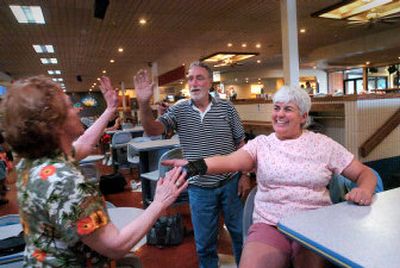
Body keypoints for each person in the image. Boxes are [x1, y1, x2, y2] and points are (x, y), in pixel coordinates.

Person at [164, 85, 377, 268]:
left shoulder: (323, 144)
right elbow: (230, 161)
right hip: (270, 225)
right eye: (276, 108)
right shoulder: (262, 144)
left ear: (303, 116)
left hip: (314, 224)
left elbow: (364, 173)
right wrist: (194, 166)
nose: (280, 114)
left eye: (288, 109)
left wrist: (365, 190)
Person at [1, 75, 188, 267]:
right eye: (69, 106)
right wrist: (160, 202)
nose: (77, 110)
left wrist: (110, 109)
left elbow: (81, 145)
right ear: (55, 125)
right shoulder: (63, 182)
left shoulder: (35, 162)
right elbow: (116, 245)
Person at [133, 61, 251, 268]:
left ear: (210, 82)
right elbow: (153, 129)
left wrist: (245, 175)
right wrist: (143, 104)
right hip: (199, 187)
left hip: (230, 182)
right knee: (204, 244)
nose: (194, 83)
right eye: (190, 78)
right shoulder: (179, 111)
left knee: (240, 235)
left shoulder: (226, 108)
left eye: (199, 78)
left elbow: (241, 144)